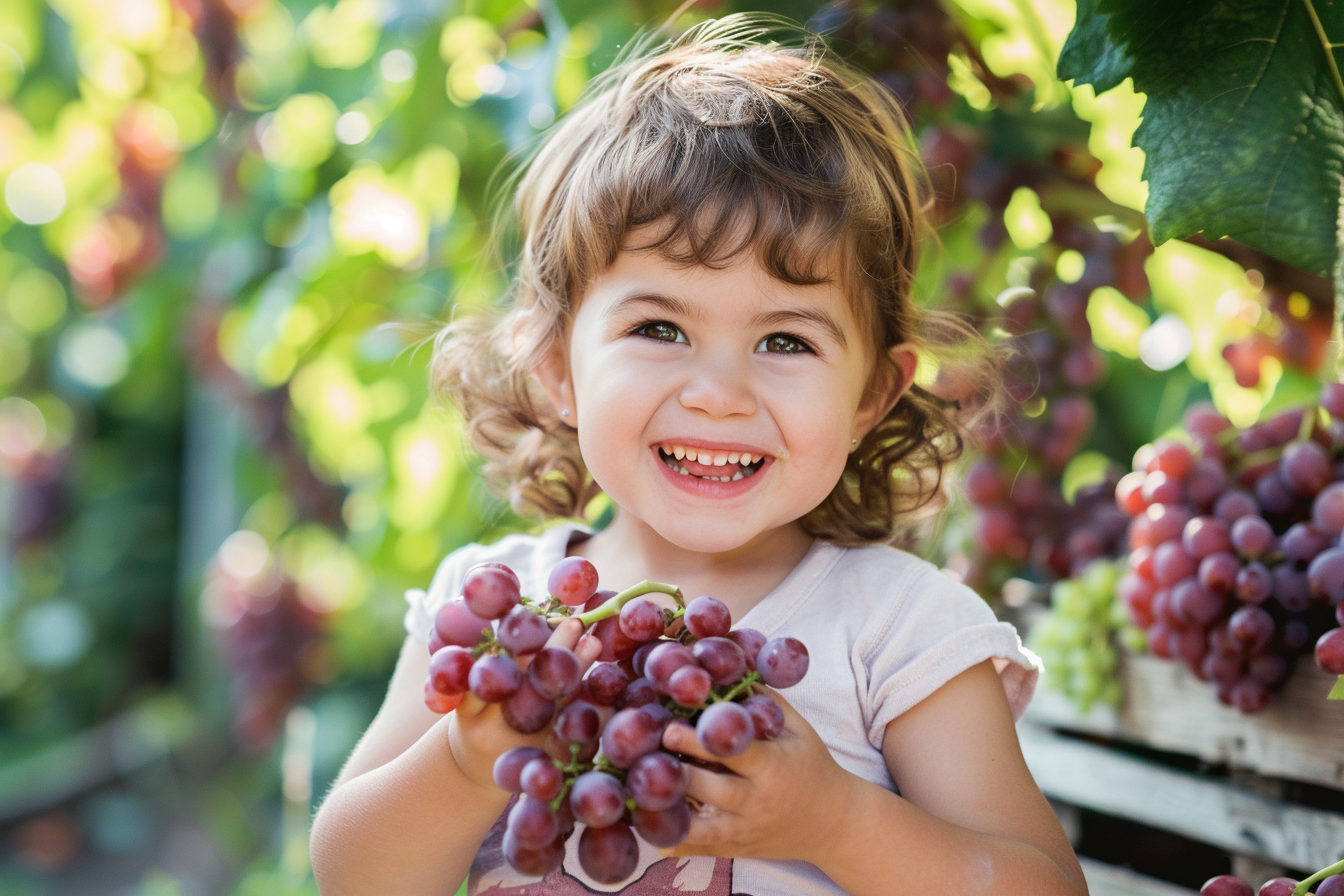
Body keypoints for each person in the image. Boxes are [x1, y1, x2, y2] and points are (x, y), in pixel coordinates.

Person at [310, 14, 1087, 896]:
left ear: (873, 394)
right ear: (560, 366)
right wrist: (461, 762)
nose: (720, 391)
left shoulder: (898, 631)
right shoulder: (496, 615)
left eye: (787, 342)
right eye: (660, 328)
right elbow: (353, 877)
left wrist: (839, 823)